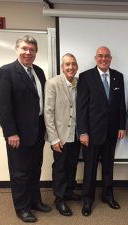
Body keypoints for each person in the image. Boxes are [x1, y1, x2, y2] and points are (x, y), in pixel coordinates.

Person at [0, 35, 51, 223]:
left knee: (35, 170)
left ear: (36, 52)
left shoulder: (39, 72)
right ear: (17, 49)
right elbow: (3, 106)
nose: (28, 52)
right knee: (20, 173)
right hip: (18, 134)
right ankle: (22, 208)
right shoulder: (7, 72)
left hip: (37, 131)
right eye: (25, 49)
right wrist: (10, 132)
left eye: (32, 50)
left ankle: (35, 202)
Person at [76, 46, 126, 216]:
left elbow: (121, 105)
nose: (103, 59)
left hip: (111, 131)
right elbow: (81, 107)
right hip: (91, 132)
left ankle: (108, 195)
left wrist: (121, 126)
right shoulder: (85, 77)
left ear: (110, 58)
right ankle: (87, 200)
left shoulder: (118, 77)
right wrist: (82, 132)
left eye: (106, 56)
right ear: (95, 58)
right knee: (89, 168)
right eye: (100, 56)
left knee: (108, 166)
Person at [44, 53, 81, 217]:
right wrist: (53, 138)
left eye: (73, 64)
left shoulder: (80, 83)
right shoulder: (53, 83)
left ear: (77, 67)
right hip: (60, 136)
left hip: (76, 134)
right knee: (60, 167)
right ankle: (59, 199)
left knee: (72, 165)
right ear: (62, 67)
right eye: (67, 64)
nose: (70, 67)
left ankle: (69, 192)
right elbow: (48, 112)